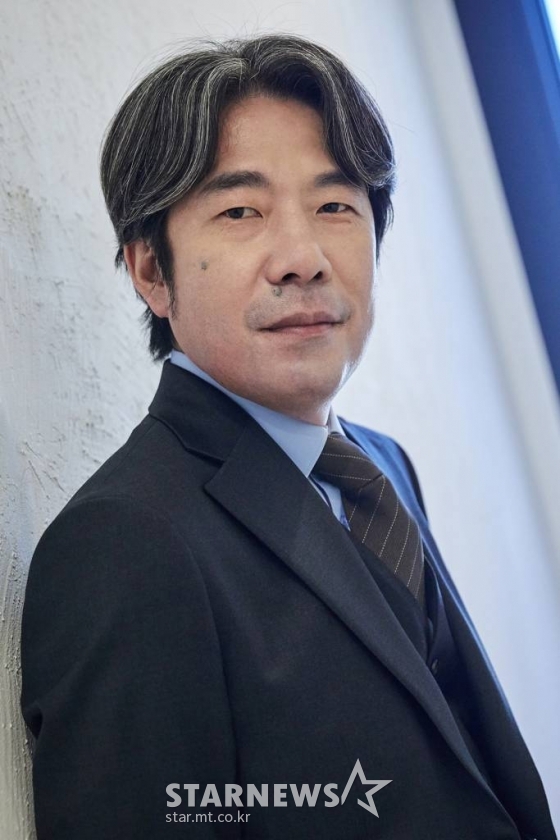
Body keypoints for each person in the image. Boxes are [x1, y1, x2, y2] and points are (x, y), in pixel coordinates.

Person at [20, 34, 556, 840]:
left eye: (335, 206)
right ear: (150, 270)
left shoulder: (380, 467)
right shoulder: (125, 543)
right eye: (241, 211)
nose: (303, 259)